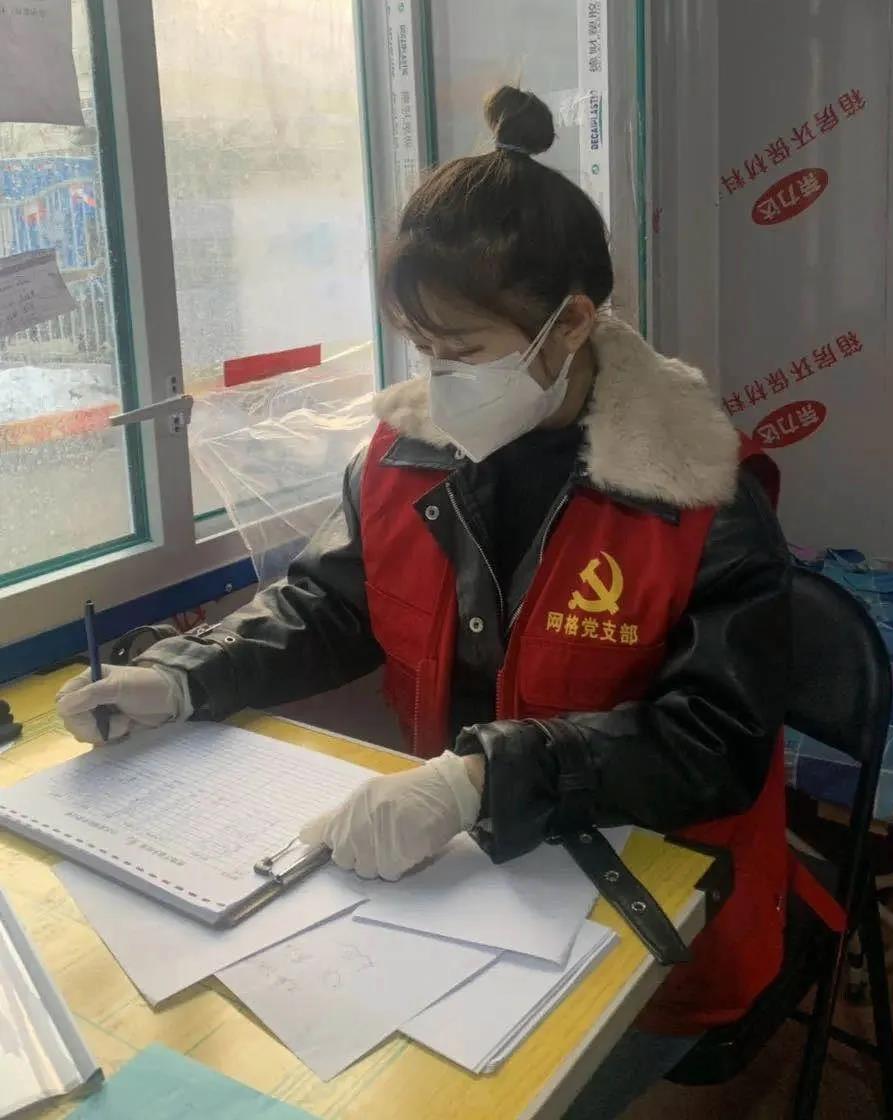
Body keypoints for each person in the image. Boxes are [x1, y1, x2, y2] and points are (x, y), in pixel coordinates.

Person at [57, 87, 792, 1119]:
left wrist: (482, 778)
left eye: (464, 350)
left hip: (645, 910)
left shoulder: (694, 497)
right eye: (421, 349)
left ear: (570, 324)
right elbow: (331, 604)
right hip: (457, 887)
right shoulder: (405, 456)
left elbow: (714, 740)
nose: (439, 381)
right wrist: (183, 678)